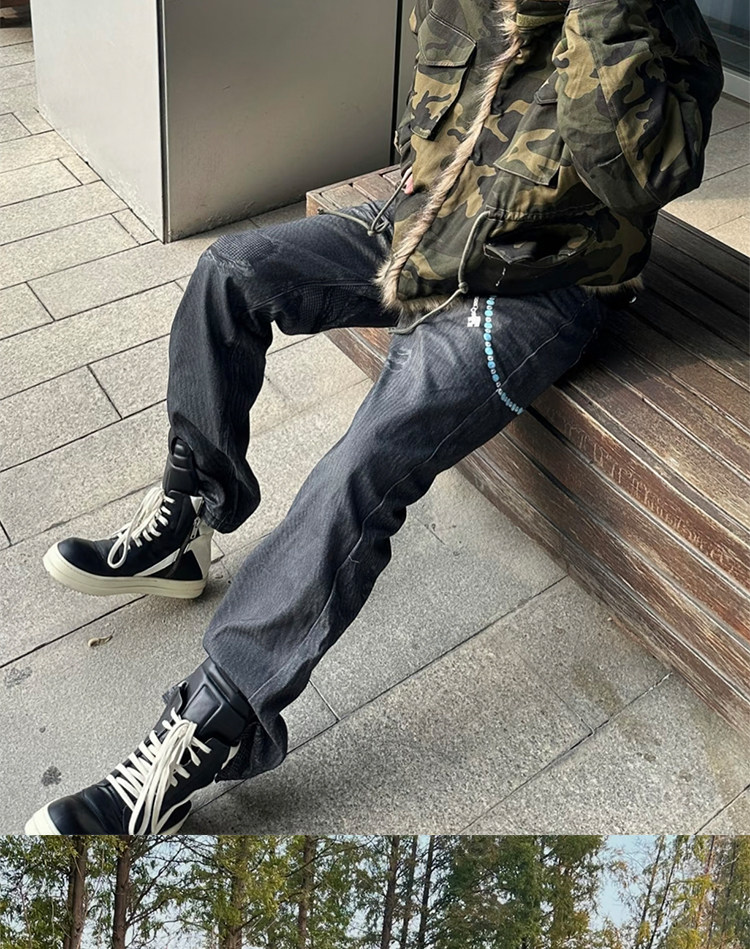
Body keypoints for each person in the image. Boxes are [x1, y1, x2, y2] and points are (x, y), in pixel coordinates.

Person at [25, 0, 722, 835]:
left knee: (369, 454)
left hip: (541, 288)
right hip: (429, 231)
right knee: (231, 271)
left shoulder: (657, 23)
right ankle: (188, 520)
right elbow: (431, 108)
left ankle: (215, 722)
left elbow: (638, 175)